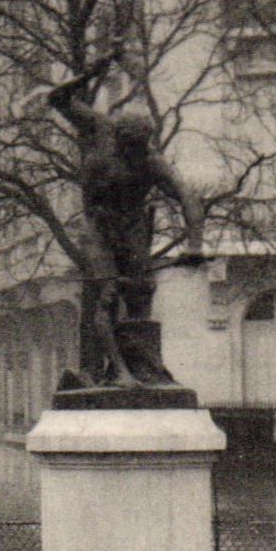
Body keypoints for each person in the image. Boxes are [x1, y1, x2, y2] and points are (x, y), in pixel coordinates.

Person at [47, 51, 206, 388]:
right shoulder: (100, 127)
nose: (134, 155)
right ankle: (118, 371)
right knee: (108, 292)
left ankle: (144, 365)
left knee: (141, 293)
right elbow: (57, 98)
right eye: (128, 148)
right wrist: (95, 69)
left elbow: (187, 196)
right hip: (99, 225)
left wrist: (195, 244)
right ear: (117, 138)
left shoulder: (151, 161)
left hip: (133, 223)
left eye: (140, 149)